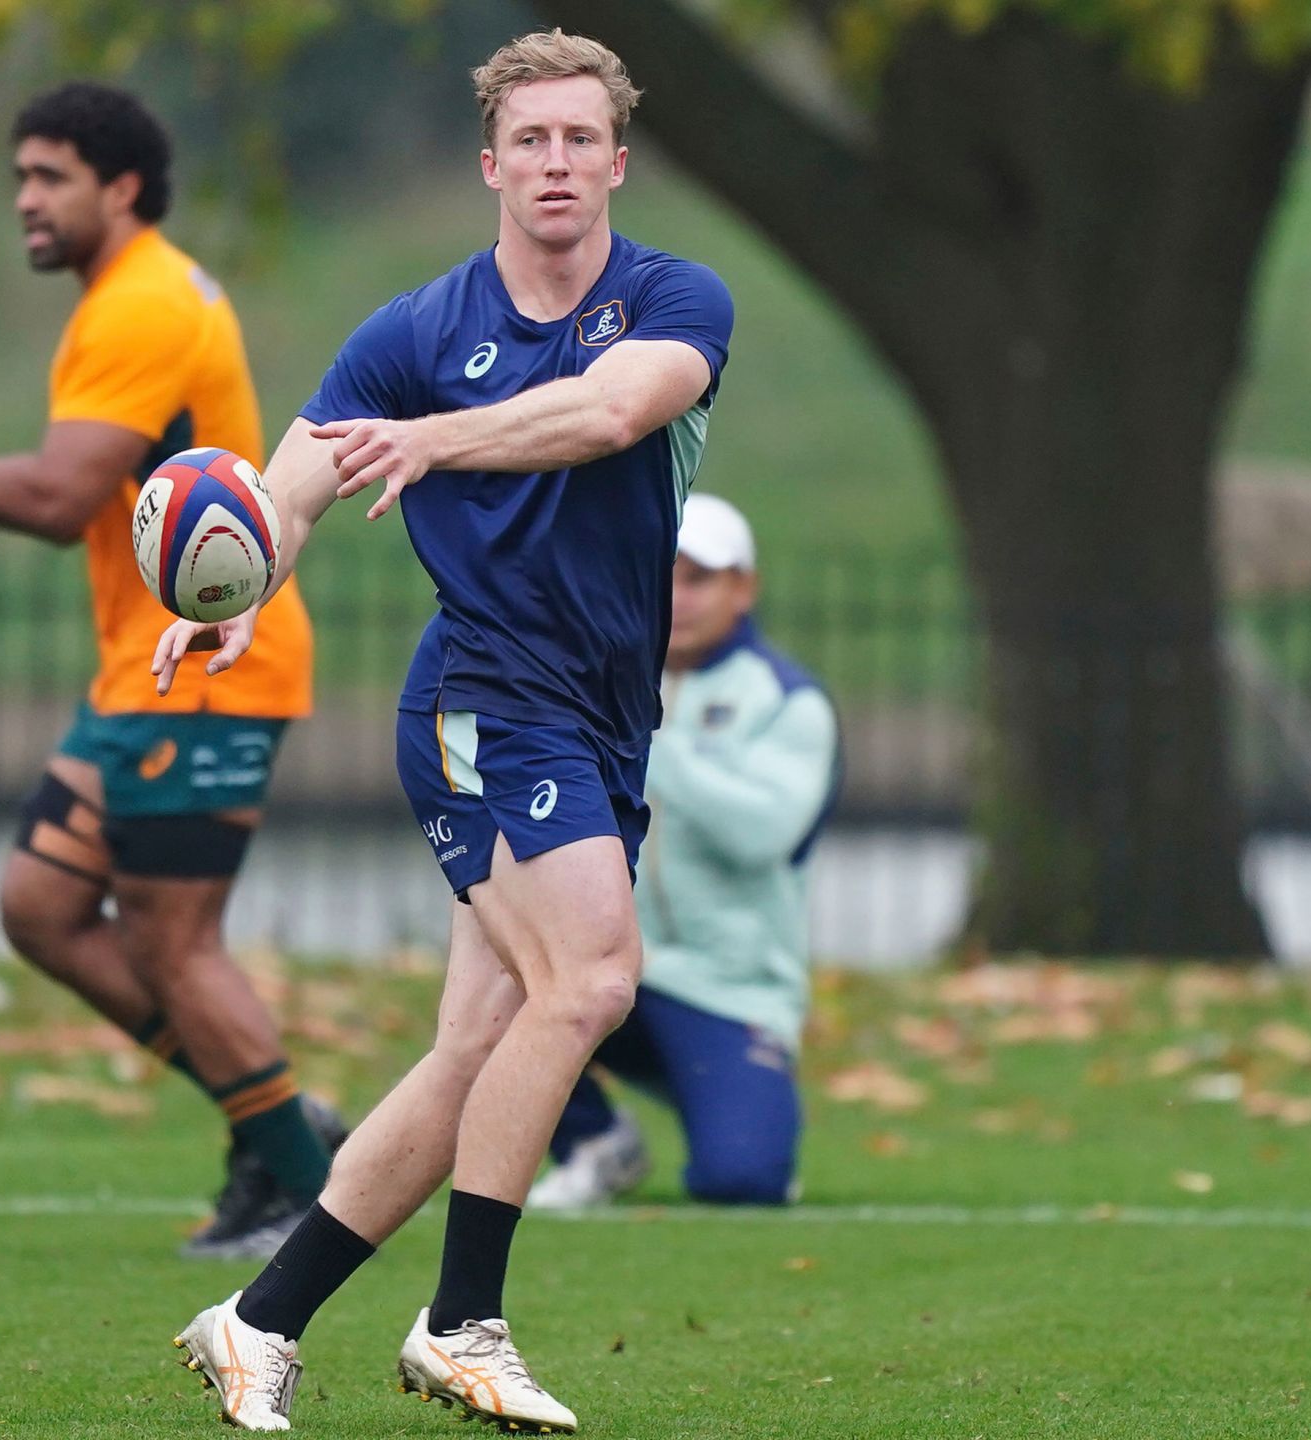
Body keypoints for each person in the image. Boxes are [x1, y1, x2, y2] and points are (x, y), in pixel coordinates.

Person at [153, 31, 733, 1431]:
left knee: (484, 1048)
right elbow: (285, 490)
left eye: (579, 139)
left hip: (599, 715)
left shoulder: (674, 297)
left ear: (616, 160)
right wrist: (241, 589)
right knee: (590, 985)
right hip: (484, 699)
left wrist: (434, 439)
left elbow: (607, 413)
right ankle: (463, 1321)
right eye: (529, 140)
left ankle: (259, 1317)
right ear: (491, 163)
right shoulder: (415, 331)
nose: (555, 162)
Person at [0, 81, 340, 1258]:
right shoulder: (128, 293)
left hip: (206, 670)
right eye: (18, 179)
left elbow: (57, 500)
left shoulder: (143, 304)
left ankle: (306, 1182)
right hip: (142, 673)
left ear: (122, 187)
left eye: (48, 177)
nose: (25, 201)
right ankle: (274, 1124)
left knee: (173, 943)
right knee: (41, 905)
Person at [529, 493, 838, 1211]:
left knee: (742, 1182)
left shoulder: (789, 700)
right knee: (499, 973)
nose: (676, 596)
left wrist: (650, 733)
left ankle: (731, 1092)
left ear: (744, 589)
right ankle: (593, 1140)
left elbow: (763, 835)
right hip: (612, 966)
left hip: (732, 991)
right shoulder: (592, 678)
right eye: (661, 573)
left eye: (699, 578)